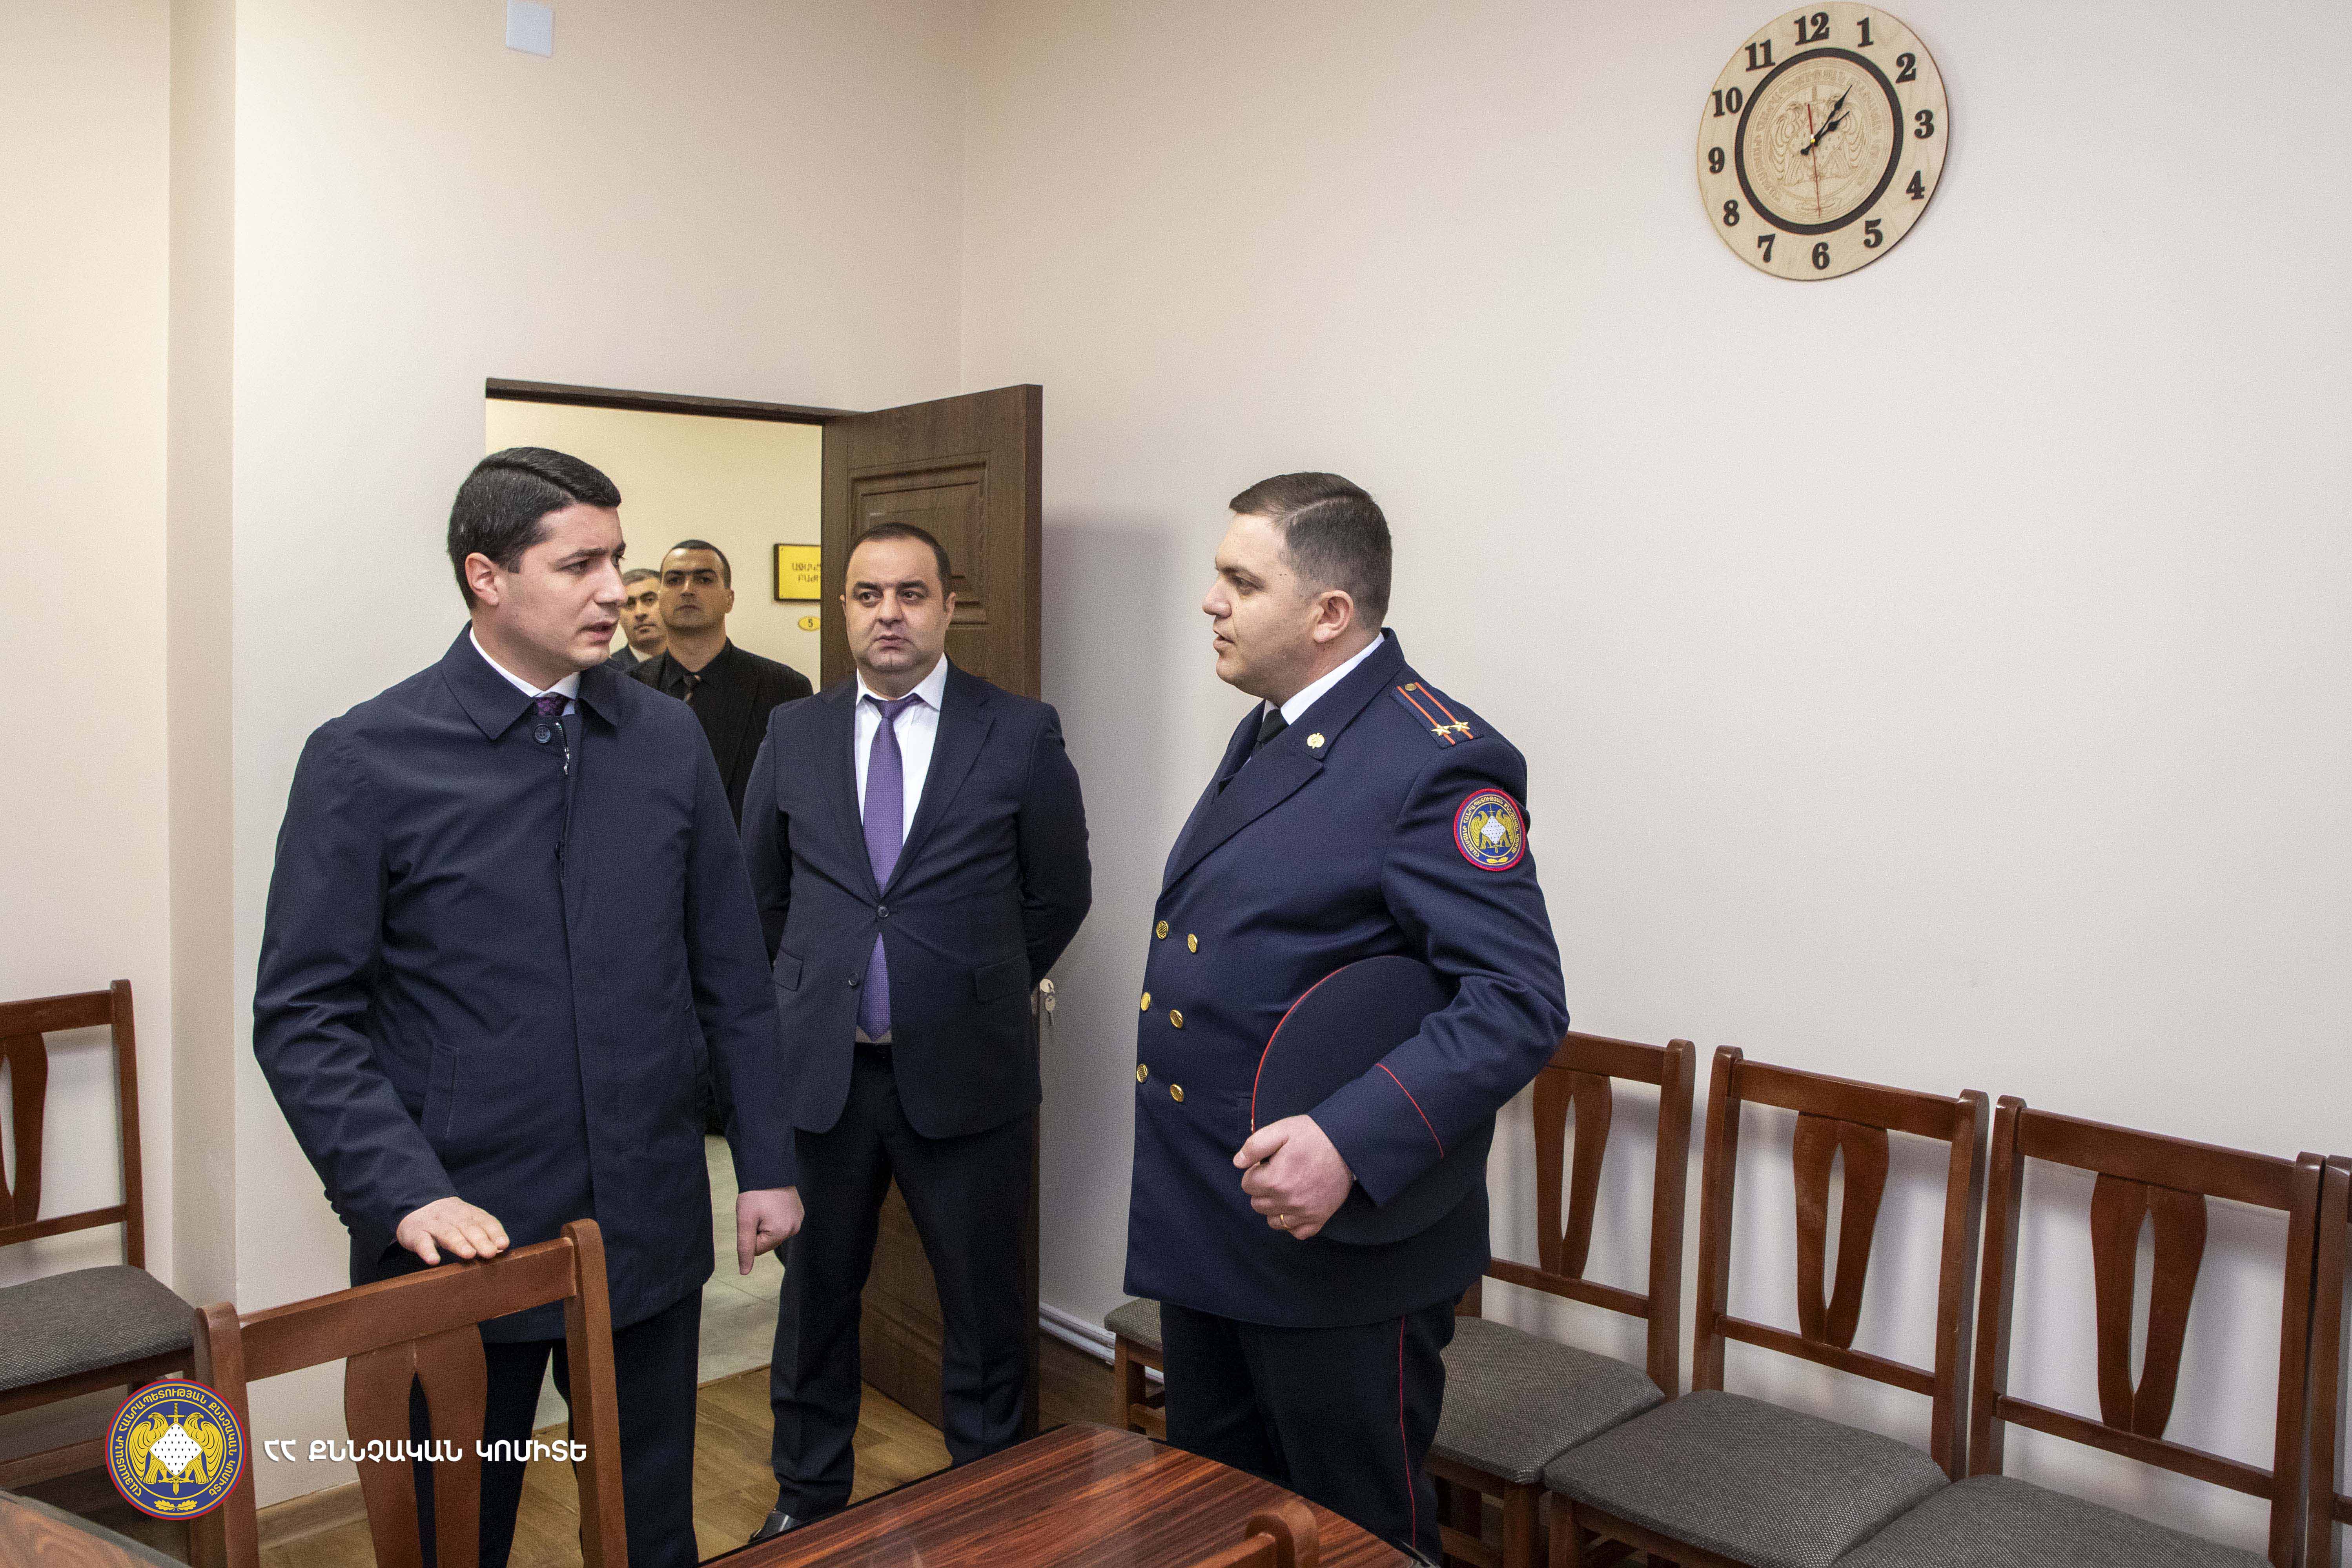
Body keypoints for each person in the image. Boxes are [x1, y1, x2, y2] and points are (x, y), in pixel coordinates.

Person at [253, 448, 805, 1568]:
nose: (615, 589)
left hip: (642, 1225)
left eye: (618, 559)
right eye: (580, 564)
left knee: (650, 1533)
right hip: (461, 1238)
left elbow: (729, 969)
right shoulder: (366, 757)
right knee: (455, 1536)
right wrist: (403, 1191)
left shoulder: (666, 740)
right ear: (486, 576)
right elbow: (303, 1012)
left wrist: (767, 1158)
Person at [1124, 473, 1567, 1561]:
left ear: (1328, 612)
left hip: (1340, 1245)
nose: (1210, 601)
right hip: (1215, 1217)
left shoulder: (1437, 758)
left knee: (1354, 1536)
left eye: (1240, 581)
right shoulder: (1278, 728)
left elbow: (1518, 1000)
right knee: (1223, 1523)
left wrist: (1347, 1140)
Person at [740, 521, 1091, 1544]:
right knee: (814, 1304)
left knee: (984, 1307)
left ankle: (993, 1499)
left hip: (967, 1077)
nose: (887, 613)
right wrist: (815, 986)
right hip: (826, 1077)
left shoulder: (1018, 731)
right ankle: (806, 1493)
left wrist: (968, 986)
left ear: (948, 605)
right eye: (867, 594)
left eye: (910, 593)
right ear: (843, 609)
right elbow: (761, 894)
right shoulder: (793, 731)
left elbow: (1059, 893)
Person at [630, 539, 813, 825]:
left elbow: (800, 798)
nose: (687, 589)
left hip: (746, 851)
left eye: (704, 579)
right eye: (675, 580)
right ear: (661, 598)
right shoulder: (628, 689)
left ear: (729, 599)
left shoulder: (785, 688)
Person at [605, 565, 666, 670]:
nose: (639, 613)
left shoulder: (693, 663)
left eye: (649, 600)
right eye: (629, 604)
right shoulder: (608, 672)